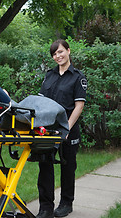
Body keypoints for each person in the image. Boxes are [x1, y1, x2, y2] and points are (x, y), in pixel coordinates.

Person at [36, 39, 87, 218]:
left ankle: (66, 203)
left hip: (68, 131)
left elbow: (78, 106)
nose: (57, 56)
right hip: (48, 130)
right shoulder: (49, 76)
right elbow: (41, 102)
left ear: (68, 51)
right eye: (54, 54)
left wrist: (66, 129)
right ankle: (45, 207)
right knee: (45, 167)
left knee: (68, 168)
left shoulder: (78, 77)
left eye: (60, 52)